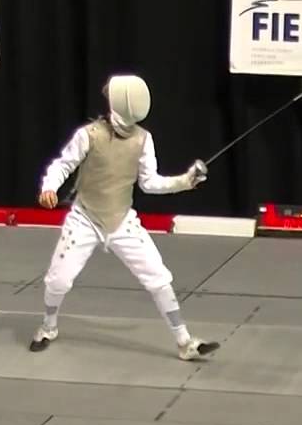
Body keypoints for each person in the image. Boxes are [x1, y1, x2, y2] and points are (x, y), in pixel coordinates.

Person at [30, 74, 219, 361]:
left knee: (158, 277)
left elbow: (149, 183)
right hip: (84, 218)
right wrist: (49, 187)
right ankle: (48, 326)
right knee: (58, 281)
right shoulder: (89, 134)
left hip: (122, 220)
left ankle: (185, 342)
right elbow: (63, 164)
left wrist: (184, 181)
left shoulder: (143, 139)